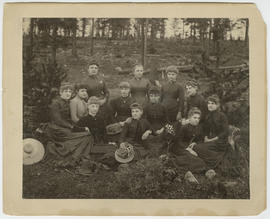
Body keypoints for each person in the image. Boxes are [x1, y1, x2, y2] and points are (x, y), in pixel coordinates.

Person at [46, 82, 92, 167]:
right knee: (85, 135)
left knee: (88, 135)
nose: (68, 93)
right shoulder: (55, 103)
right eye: (65, 91)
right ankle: (74, 157)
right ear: (60, 93)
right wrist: (73, 127)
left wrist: (78, 127)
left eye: (70, 91)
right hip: (56, 130)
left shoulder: (67, 102)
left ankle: (80, 156)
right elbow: (58, 120)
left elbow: (69, 119)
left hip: (65, 128)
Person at [193, 95, 230, 169]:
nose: (210, 105)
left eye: (212, 103)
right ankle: (210, 161)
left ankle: (218, 160)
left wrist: (213, 139)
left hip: (220, 141)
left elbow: (225, 132)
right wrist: (206, 137)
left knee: (198, 148)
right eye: (208, 103)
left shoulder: (222, 116)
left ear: (217, 105)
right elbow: (206, 130)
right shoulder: (208, 116)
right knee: (195, 147)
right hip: (210, 139)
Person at [170, 107, 207, 174]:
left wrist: (195, 143)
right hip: (179, 147)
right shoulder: (184, 127)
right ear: (189, 118)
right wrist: (188, 149)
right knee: (191, 157)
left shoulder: (198, 128)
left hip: (188, 147)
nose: (197, 120)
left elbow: (200, 139)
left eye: (198, 118)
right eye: (194, 118)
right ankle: (174, 163)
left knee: (200, 156)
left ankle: (196, 169)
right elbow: (178, 141)